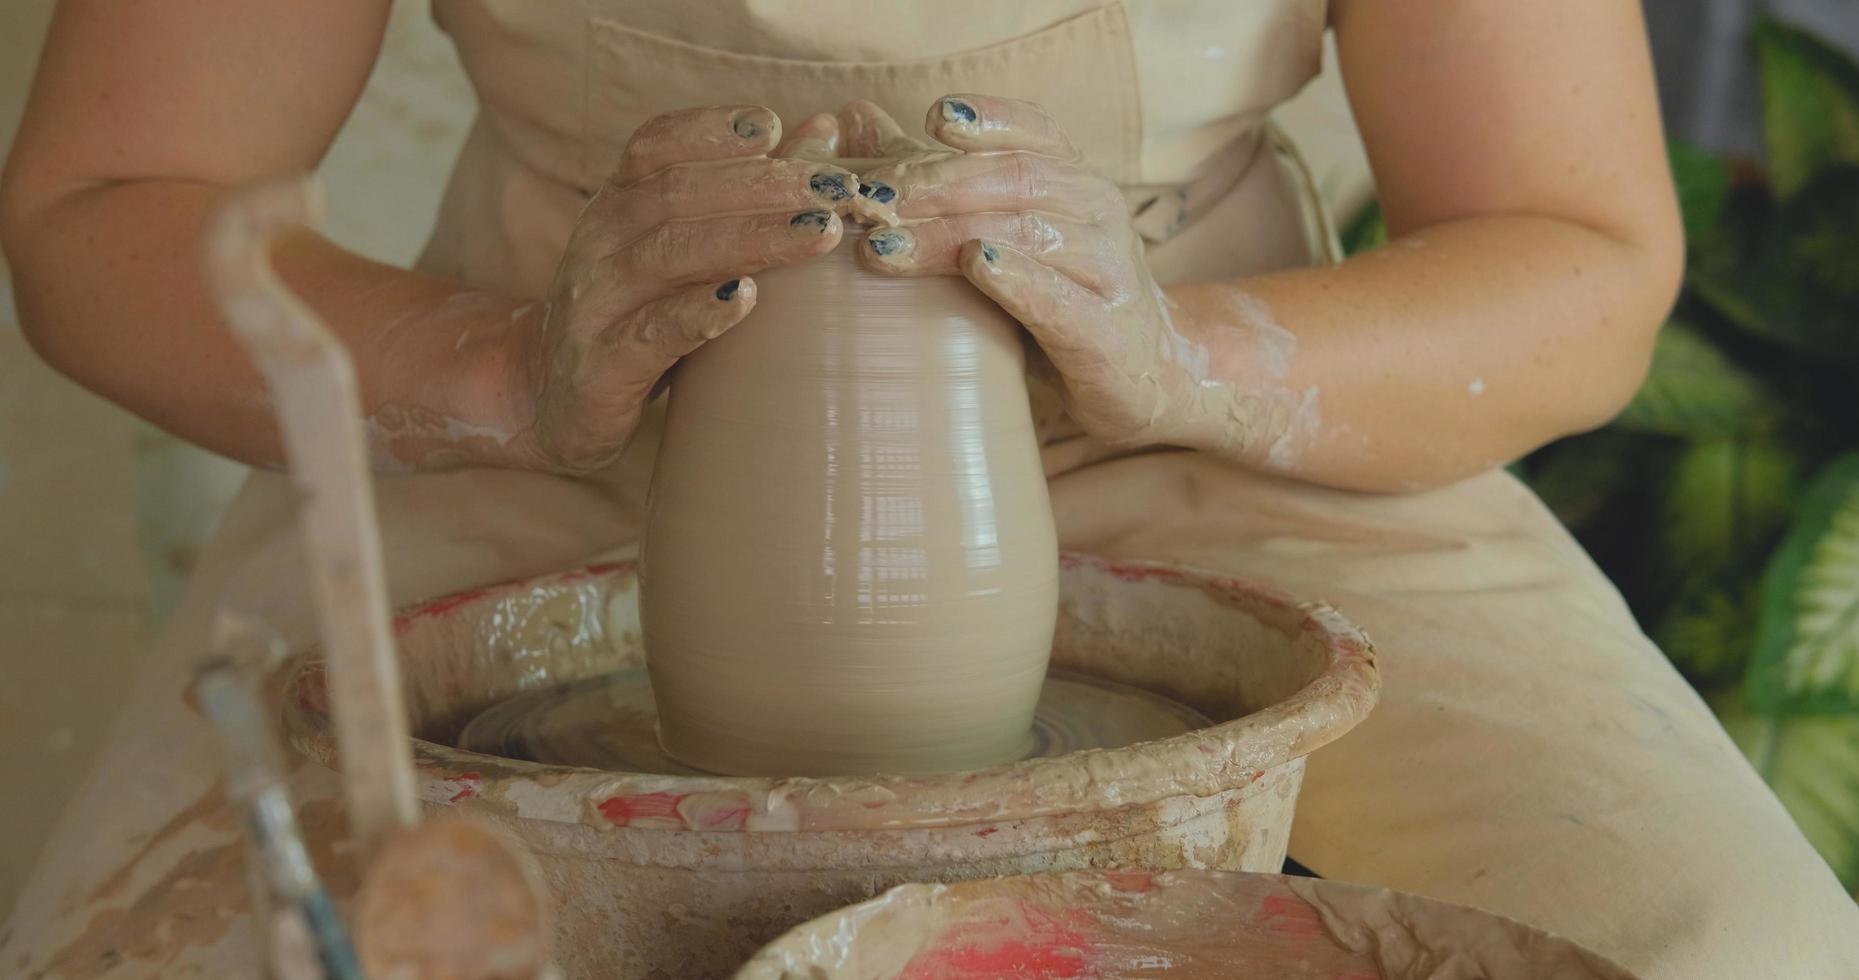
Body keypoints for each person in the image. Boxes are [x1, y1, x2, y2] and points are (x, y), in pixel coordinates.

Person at [2, 2, 1853, 977]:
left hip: (1215, 417)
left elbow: (1576, 244)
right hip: (546, 429)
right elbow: (111, 205)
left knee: (1723, 952)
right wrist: (497, 371)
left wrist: (1191, 363)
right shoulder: (516, 386)